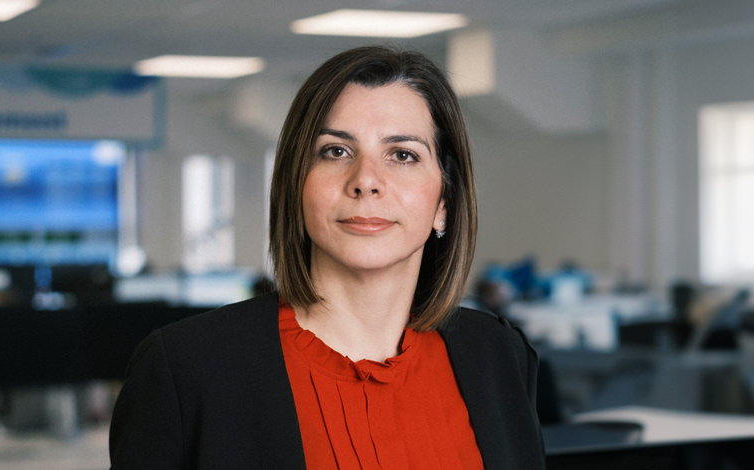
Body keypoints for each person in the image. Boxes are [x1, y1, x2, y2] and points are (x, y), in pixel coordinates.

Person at [109, 45, 545, 469]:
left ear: (444, 203)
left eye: (403, 155)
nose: (366, 180)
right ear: (296, 185)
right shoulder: (188, 368)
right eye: (336, 151)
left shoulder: (499, 355)